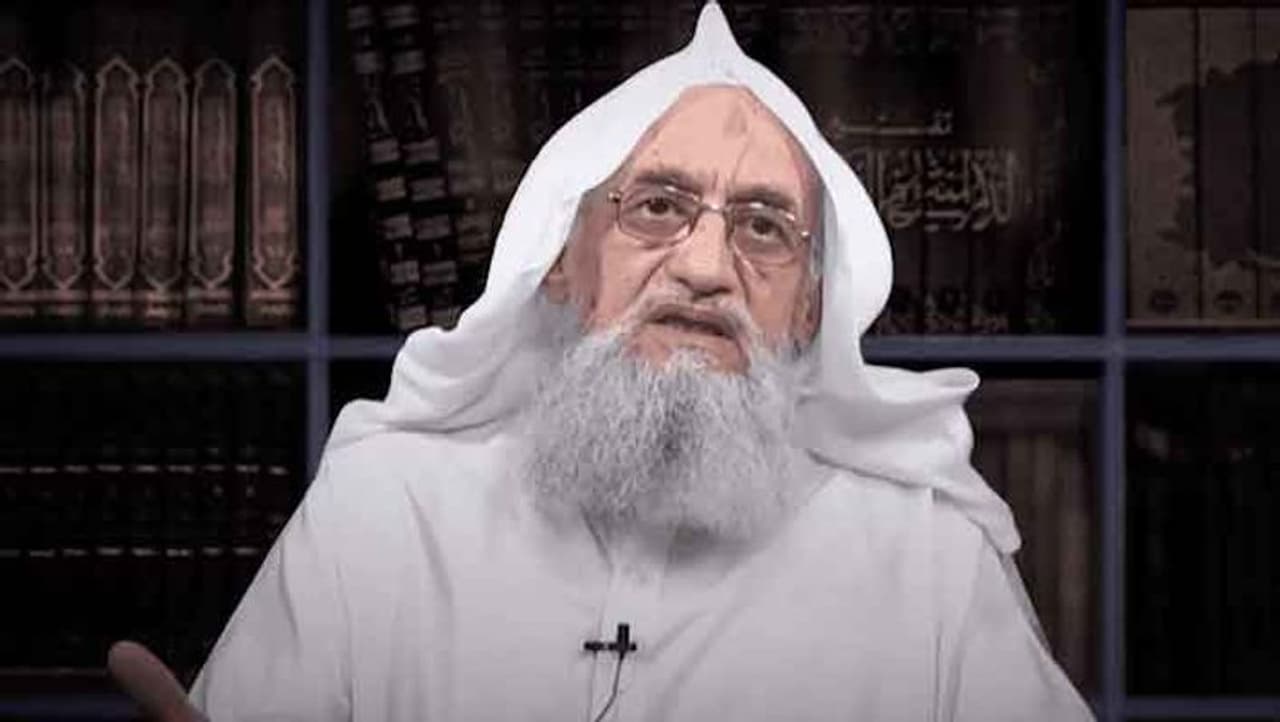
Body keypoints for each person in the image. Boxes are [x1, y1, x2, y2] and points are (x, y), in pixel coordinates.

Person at [110, 3, 1094, 720]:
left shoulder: (926, 565)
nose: (705, 267)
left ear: (808, 306)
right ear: (559, 263)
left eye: (763, 226)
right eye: (656, 206)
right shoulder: (383, 516)